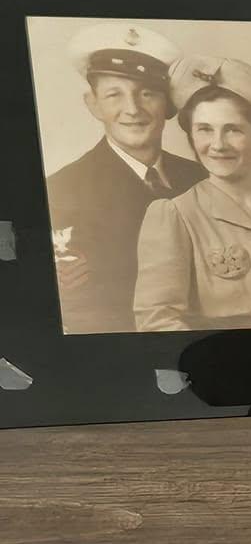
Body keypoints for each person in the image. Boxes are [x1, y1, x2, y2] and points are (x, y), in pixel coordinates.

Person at [133, 56, 251, 330]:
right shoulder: (175, 216)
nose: (217, 145)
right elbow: (157, 322)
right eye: (204, 130)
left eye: (233, 129)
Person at [45, 21, 205, 333]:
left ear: (169, 104)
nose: (132, 109)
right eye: (114, 95)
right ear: (93, 104)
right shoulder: (62, 189)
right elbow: (83, 312)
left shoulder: (202, 177)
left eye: (147, 94)